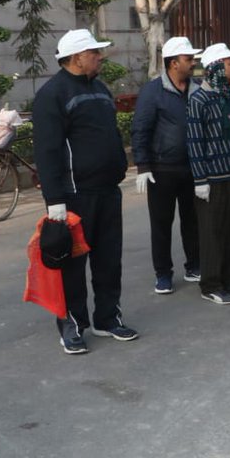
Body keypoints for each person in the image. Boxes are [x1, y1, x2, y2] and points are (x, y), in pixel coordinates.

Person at [32, 29, 136, 354]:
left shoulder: (100, 90)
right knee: (73, 266)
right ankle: (73, 326)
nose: (100, 57)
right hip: (75, 195)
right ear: (77, 57)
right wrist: (55, 201)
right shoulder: (52, 94)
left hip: (108, 191)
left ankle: (108, 318)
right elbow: (47, 151)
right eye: (94, 52)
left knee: (109, 260)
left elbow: (110, 134)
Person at [131, 35, 202, 294]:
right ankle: (163, 273)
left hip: (192, 168)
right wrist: (143, 165)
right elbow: (141, 128)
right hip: (162, 169)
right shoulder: (153, 92)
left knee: (192, 221)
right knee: (161, 224)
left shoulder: (197, 89)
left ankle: (194, 265)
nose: (193, 63)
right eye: (188, 58)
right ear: (173, 63)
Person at [187, 43, 230, 305]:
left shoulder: (228, 95)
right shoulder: (198, 100)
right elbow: (194, 141)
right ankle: (211, 284)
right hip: (212, 180)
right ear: (215, 67)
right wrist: (200, 179)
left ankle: (229, 279)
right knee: (212, 233)